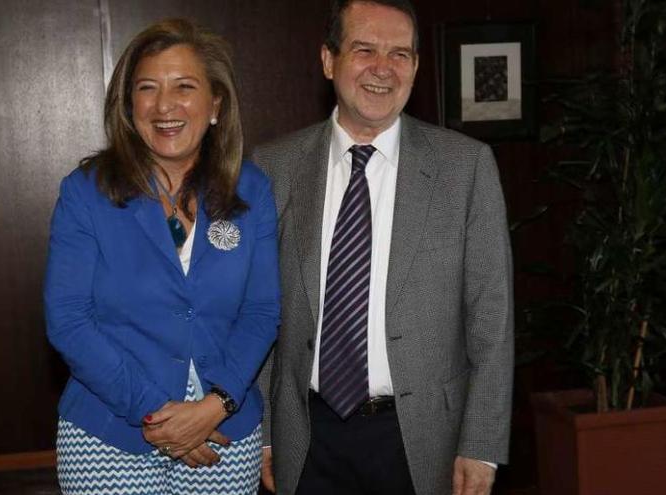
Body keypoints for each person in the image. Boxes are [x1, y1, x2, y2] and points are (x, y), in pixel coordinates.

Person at [253, 1, 513, 494]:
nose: (382, 68)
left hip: (422, 439)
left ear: (415, 67)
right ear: (328, 60)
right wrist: (263, 430)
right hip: (306, 436)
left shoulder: (466, 169)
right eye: (364, 49)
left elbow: (492, 320)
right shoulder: (273, 168)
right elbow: (261, 312)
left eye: (399, 54)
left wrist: (481, 443)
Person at [43, 18, 279, 495]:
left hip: (222, 429)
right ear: (130, 107)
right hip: (108, 428)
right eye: (147, 88)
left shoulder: (252, 190)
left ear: (215, 104)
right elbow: (68, 319)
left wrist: (215, 405)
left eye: (184, 87)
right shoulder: (85, 192)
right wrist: (157, 415)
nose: (165, 105)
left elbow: (262, 311)